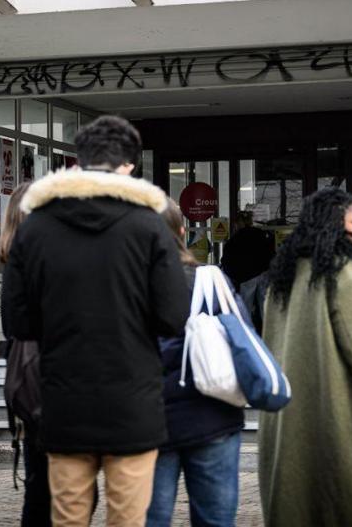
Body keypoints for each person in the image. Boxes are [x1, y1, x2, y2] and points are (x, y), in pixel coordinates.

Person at [2, 115, 188, 527]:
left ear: (78, 161)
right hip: (133, 405)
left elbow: (18, 323)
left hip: (64, 405)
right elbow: (174, 318)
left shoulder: (36, 227)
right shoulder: (149, 226)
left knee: (68, 518)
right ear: (129, 166)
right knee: (127, 520)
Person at [258, 187, 352, 527]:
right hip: (343, 430)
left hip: (288, 434)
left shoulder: (281, 282)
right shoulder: (347, 278)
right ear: (334, 227)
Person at [146, 201, 247, 527]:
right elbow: (242, 340)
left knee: (151, 519)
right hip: (213, 416)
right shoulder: (212, 281)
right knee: (216, 520)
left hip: (150, 422)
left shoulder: (126, 285)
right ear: (180, 233)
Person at [0, 182, 52, 527]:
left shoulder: (12, 257)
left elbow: (10, 328)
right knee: (56, 487)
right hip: (49, 379)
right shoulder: (38, 259)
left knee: (38, 482)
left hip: (26, 383)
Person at [219, 209, 275, 288]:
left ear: (240, 223)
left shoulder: (234, 240)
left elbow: (228, 261)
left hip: (244, 278)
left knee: (246, 300)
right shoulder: (262, 235)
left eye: (235, 223)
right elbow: (270, 254)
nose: (234, 226)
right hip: (263, 276)